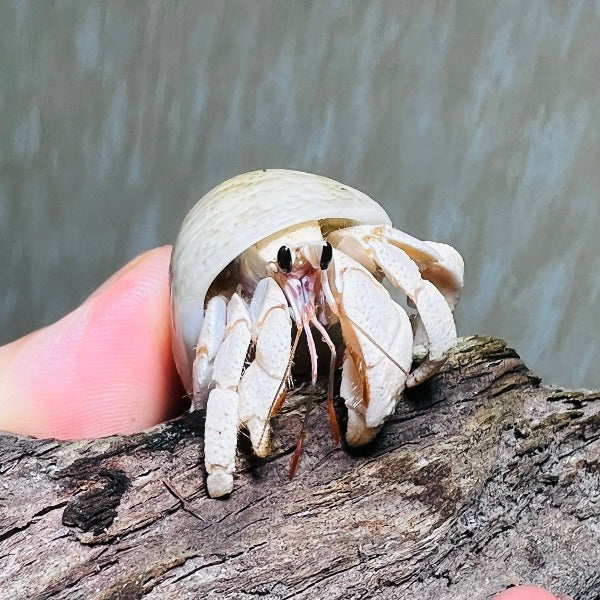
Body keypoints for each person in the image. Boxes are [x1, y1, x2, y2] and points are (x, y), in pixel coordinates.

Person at [0, 247, 563, 600]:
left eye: (317, 259)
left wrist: (431, 353)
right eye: (292, 264)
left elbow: (424, 277)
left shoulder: (325, 259)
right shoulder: (253, 290)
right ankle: (228, 452)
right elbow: (212, 371)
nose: (304, 275)